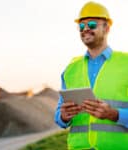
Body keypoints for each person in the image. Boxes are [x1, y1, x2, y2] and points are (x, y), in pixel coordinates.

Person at [54, 1, 128, 150]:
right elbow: (59, 116)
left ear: (106, 28)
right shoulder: (70, 70)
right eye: (81, 26)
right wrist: (63, 116)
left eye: (92, 24)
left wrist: (114, 114)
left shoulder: (125, 63)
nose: (85, 29)